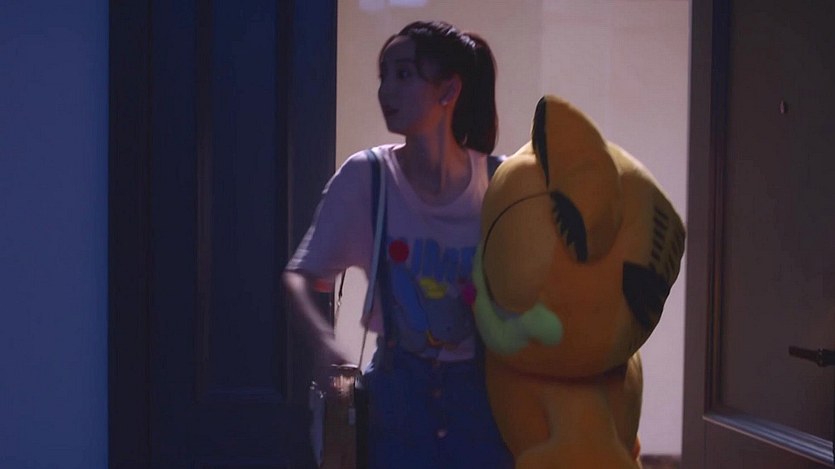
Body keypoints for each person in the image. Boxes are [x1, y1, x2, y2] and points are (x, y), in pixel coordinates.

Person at [283, 20, 513, 469]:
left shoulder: (499, 182)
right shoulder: (368, 177)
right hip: (397, 406)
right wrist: (324, 342)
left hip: (484, 405)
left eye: (404, 74)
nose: (386, 89)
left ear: (449, 91)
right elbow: (301, 277)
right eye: (383, 75)